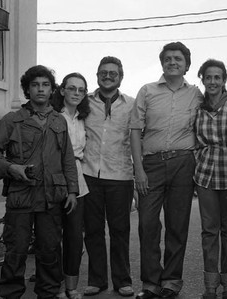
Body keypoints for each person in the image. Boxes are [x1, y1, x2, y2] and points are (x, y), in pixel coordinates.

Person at [0, 65, 79, 298]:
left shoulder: (59, 121)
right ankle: (10, 293)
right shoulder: (12, 120)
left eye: (45, 84)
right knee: (15, 251)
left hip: (52, 197)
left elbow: (67, 157)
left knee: (50, 249)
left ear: (52, 89)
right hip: (21, 196)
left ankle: (48, 292)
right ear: (27, 89)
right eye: (35, 85)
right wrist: (11, 168)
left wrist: (73, 191)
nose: (40, 89)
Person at [130, 42, 203, 299]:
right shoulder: (147, 91)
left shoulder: (196, 94)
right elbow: (135, 131)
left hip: (183, 164)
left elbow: (214, 111)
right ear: (162, 62)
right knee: (148, 225)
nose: (173, 62)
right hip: (150, 165)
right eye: (168, 58)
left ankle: (171, 281)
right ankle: (150, 283)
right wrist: (138, 170)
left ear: (186, 64)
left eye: (178, 59)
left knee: (177, 225)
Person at [81, 56, 135, 298]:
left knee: (120, 230)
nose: (108, 76)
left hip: (120, 175)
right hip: (89, 173)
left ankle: (122, 280)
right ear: (97, 76)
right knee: (92, 230)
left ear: (121, 77)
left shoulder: (132, 104)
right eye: (103, 72)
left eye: (113, 72)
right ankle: (97, 280)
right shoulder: (84, 103)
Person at [194, 59, 227, 299]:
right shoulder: (197, 107)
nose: (213, 81)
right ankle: (210, 286)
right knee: (209, 231)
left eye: (217, 77)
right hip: (205, 173)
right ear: (202, 79)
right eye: (208, 77)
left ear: (224, 81)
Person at [51, 72, 90, 299]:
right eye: (72, 88)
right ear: (62, 90)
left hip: (78, 181)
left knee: (75, 236)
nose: (76, 93)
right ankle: (53, 285)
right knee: (52, 236)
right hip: (54, 179)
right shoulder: (53, 115)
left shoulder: (85, 117)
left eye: (81, 90)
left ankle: (71, 287)